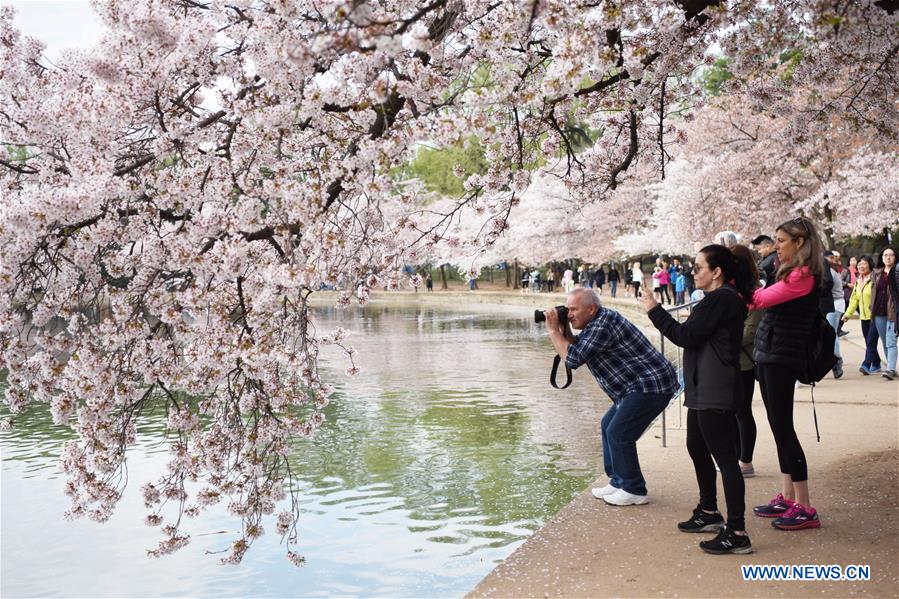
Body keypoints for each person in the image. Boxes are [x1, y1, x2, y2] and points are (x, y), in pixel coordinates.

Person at [642, 244, 754, 554]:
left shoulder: (721, 299)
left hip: (715, 388)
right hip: (702, 386)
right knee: (696, 446)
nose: (693, 273)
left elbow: (685, 336)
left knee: (725, 460)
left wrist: (654, 309)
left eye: (698, 268)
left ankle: (738, 532)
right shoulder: (717, 299)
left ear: (716, 272)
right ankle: (708, 511)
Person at [543, 288, 678, 506]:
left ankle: (634, 489)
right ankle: (618, 481)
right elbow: (578, 347)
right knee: (608, 424)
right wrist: (564, 328)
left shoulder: (602, 325)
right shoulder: (596, 321)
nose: (570, 314)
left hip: (651, 385)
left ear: (591, 309)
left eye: (574, 309)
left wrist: (553, 331)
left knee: (619, 432)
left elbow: (573, 359)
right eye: (567, 309)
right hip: (636, 386)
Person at [750, 216, 825, 531]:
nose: (775, 247)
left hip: (782, 357)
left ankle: (805, 507)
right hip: (772, 353)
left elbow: (758, 300)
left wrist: (734, 283)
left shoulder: (802, 275)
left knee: (784, 429)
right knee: (778, 427)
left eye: (781, 241)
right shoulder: (789, 271)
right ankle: (788, 496)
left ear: (800, 242)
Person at [730, 245, 762, 477]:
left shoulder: (755, 292)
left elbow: (751, 330)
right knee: (731, 412)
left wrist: (724, 338)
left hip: (744, 361)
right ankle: (734, 456)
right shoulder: (729, 290)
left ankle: (746, 460)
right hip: (727, 360)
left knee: (742, 411)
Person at [842, 256, 879, 374]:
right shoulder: (858, 281)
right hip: (864, 317)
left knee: (871, 341)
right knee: (869, 341)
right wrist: (847, 314)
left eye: (864, 264)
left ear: (870, 265)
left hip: (875, 316)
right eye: (859, 264)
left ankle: (866, 364)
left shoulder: (875, 279)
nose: (861, 266)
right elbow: (854, 300)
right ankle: (877, 363)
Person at [870, 247, 897, 379]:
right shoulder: (876, 273)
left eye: (891, 255)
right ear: (881, 257)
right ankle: (891, 368)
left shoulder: (897, 272)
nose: (888, 257)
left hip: (894, 312)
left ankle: (890, 369)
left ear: (895, 257)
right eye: (885, 255)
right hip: (879, 313)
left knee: (891, 342)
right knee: (885, 341)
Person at [823, 251, 845, 378]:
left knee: (832, 334)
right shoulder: (835, 269)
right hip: (837, 304)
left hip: (834, 304)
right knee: (832, 334)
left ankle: (837, 360)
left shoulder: (830, 271)